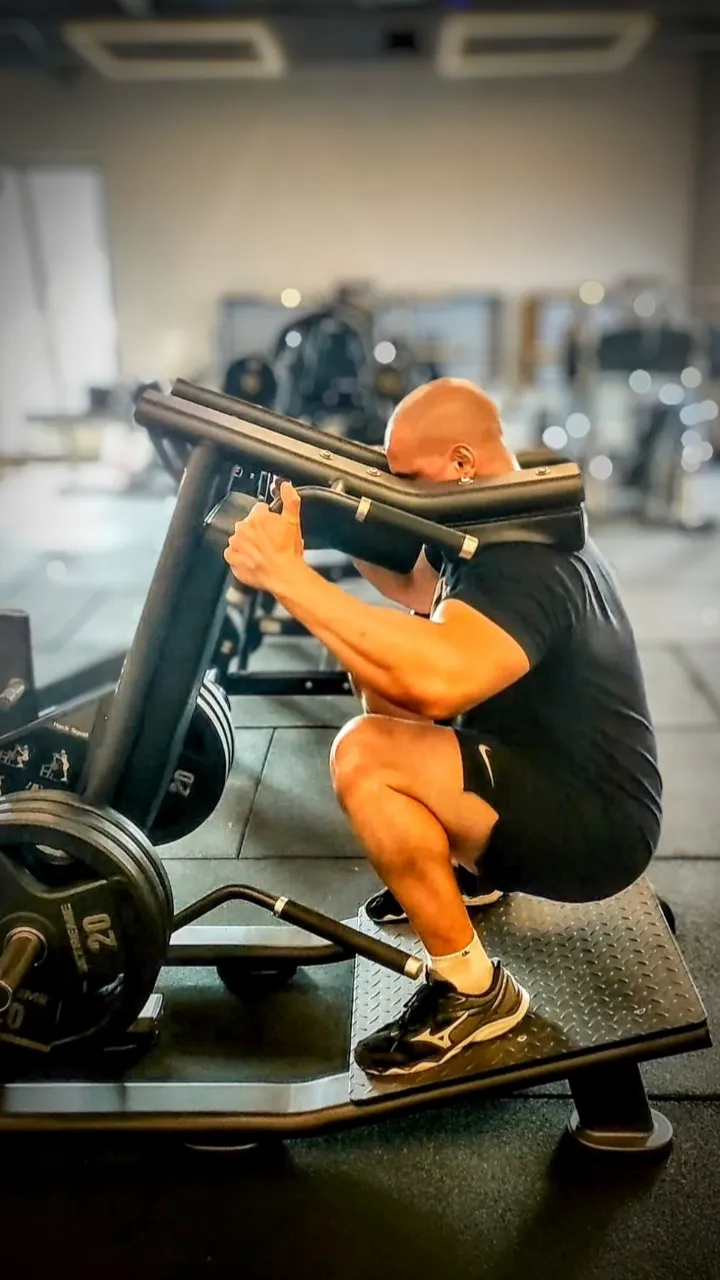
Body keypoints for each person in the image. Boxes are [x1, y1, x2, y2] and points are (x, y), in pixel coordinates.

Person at [224, 378, 662, 1078]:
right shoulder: (497, 515)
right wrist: (319, 518)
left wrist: (288, 579)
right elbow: (412, 589)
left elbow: (435, 683)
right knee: (380, 662)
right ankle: (465, 874)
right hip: (545, 770)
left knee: (367, 755)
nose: (401, 492)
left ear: (461, 462)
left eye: (408, 478)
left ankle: (473, 991)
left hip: (596, 831)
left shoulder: (528, 561)